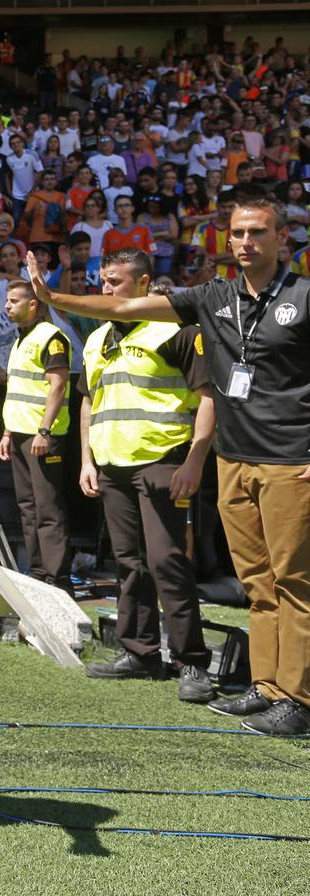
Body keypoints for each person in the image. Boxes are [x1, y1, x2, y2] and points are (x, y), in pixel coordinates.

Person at [27, 194, 310, 736]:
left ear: (281, 239)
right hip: (234, 459)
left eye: (257, 232)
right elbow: (123, 309)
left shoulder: (303, 295)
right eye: (237, 233)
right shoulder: (214, 296)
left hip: (289, 460)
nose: (246, 242)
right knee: (257, 581)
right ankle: (269, 687)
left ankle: (298, 698)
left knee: (293, 580)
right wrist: (53, 295)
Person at [79, 248, 216, 701]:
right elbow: (88, 401)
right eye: (103, 280)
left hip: (163, 462)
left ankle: (192, 662)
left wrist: (194, 461)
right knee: (128, 563)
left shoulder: (176, 329)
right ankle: (140, 653)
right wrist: (86, 460)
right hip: (112, 465)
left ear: (142, 285)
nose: (106, 289)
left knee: (166, 561)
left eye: (115, 282)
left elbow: (208, 397)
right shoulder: (96, 338)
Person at [0, 280, 73, 589]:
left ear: (32, 305)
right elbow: (19, 392)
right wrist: (7, 433)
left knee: (48, 508)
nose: (6, 305)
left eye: (13, 300)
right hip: (20, 435)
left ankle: (58, 579)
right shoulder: (20, 340)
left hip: (42, 436)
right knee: (28, 508)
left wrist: (44, 431)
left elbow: (58, 386)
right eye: (7, 300)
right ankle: (39, 575)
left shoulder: (51, 337)